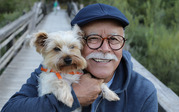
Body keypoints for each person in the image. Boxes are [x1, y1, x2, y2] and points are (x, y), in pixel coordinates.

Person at [1, 3, 158, 112]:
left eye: (114, 39)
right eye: (94, 38)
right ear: (80, 42)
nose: (105, 49)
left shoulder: (143, 92)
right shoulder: (50, 72)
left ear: (123, 44)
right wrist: (73, 99)